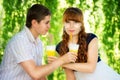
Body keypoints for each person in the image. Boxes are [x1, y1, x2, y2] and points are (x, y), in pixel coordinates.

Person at [0, 4, 77, 80]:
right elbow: (35, 74)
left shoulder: (38, 43)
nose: (49, 26)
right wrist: (62, 60)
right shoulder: (20, 41)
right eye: (46, 23)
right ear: (34, 23)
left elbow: (40, 74)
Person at [54, 7, 120, 80]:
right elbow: (71, 77)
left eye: (76, 22)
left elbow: (90, 68)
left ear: (81, 24)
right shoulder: (60, 47)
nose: (71, 26)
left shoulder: (91, 38)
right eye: (68, 22)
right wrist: (61, 62)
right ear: (64, 24)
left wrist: (61, 62)